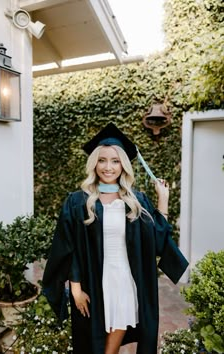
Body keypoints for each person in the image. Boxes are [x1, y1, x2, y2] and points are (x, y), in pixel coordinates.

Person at [42, 122, 189, 354]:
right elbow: (68, 246)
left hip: (125, 280)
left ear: (124, 165)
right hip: (93, 279)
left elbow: (157, 239)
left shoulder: (136, 201)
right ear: (94, 163)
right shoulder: (78, 201)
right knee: (92, 338)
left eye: (115, 160)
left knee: (116, 330)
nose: (108, 167)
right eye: (102, 160)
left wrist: (163, 200)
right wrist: (76, 287)